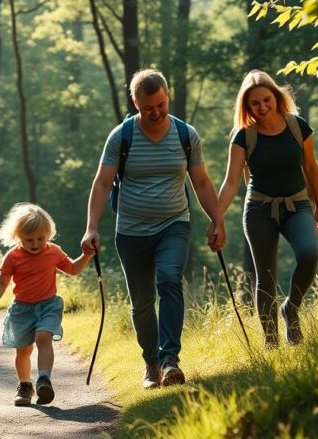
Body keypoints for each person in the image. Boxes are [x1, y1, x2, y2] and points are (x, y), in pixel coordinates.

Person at [80, 69, 225, 389]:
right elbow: (103, 183)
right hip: (131, 230)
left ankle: (170, 360)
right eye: (149, 107)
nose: (157, 112)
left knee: (170, 279)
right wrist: (91, 227)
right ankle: (151, 364)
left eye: (161, 104)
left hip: (174, 222)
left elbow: (201, 181)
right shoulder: (122, 136)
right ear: (135, 103)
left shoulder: (186, 135)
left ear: (167, 96)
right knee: (142, 301)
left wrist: (217, 221)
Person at [215, 70, 318, 347]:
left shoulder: (298, 127)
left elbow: (311, 168)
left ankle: (291, 308)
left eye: (267, 100)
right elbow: (230, 183)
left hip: (297, 204)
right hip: (259, 210)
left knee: (309, 255)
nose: (262, 107)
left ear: (276, 97)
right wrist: (217, 219)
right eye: (255, 103)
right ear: (246, 106)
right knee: (265, 278)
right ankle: (272, 343)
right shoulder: (243, 137)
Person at [0, 203, 93, 406]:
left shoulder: (53, 252)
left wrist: (87, 255)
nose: (35, 244)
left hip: (49, 306)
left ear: (48, 234)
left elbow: (73, 269)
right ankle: (25, 386)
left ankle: (44, 380)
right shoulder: (13, 257)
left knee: (43, 337)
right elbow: (1, 282)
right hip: (22, 309)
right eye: (29, 240)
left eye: (40, 238)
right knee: (23, 350)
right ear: (18, 237)